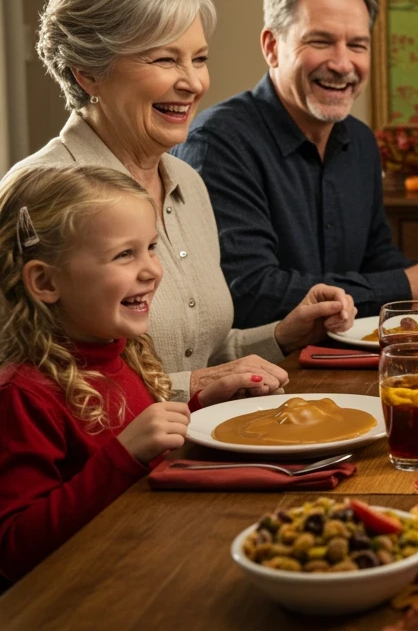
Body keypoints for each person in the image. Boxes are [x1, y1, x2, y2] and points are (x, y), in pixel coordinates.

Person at [9, 0, 354, 402]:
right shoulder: (36, 193)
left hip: (202, 453)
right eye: (165, 59)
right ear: (88, 72)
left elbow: (201, 358)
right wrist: (185, 388)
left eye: (200, 59)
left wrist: (283, 335)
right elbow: (24, 391)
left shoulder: (188, 183)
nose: (193, 83)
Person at [0, 167, 283, 581]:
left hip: (147, 556)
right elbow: (13, 548)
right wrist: (124, 454)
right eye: (124, 254)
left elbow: (144, 446)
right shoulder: (22, 395)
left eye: (150, 247)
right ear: (45, 281)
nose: (152, 270)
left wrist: (200, 407)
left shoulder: (126, 349)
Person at [175, 0, 418, 329]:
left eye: (357, 45)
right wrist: (409, 285)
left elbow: (375, 257)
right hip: (259, 374)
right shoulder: (218, 143)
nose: (342, 63)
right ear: (272, 46)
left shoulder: (361, 141)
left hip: (344, 360)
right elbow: (251, 292)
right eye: (321, 41)